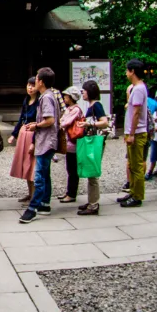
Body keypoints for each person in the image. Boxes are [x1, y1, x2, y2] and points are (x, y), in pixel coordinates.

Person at [20, 67, 59, 224]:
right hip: (47, 140)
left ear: (41, 82)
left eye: (36, 79)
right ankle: (45, 204)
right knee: (45, 174)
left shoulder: (46, 98)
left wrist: (36, 125)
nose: (34, 81)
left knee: (39, 176)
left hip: (46, 140)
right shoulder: (49, 96)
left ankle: (33, 208)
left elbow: (50, 120)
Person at [117, 59, 149, 208]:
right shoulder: (138, 88)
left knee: (136, 166)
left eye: (127, 70)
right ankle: (133, 191)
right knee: (132, 164)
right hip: (135, 132)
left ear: (133, 71)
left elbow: (136, 113)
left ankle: (138, 196)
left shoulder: (138, 89)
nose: (126, 73)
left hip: (137, 132)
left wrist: (131, 133)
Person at [76, 80, 110, 215]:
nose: (82, 93)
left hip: (95, 141)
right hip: (92, 140)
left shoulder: (96, 105)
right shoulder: (92, 105)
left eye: (83, 91)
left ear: (89, 92)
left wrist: (89, 125)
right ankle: (91, 200)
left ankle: (94, 204)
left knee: (93, 173)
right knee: (91, 172)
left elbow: (105, 122)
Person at [9, 77, 38, 202]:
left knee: (32, 166)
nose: (30, 88)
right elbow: (21, 118)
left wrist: (34, 141)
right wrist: (13, 134)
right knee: (25, 165)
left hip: (33, 133)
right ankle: (30, 193)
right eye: (28, 85)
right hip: (23, 133)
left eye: (33, 85)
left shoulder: (39, 102)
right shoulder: (26, 100)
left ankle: (35, 196)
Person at [58, 86, 86, 204]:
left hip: (73, 143)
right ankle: (69, 192)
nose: (64, 97)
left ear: (71, 98)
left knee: (72, 169)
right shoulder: (69, 109)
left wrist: (59, 123)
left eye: (66, 96)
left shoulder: (75, 110)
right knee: (69, 168)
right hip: (69, 142)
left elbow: (65, 122)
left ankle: (72, 193)